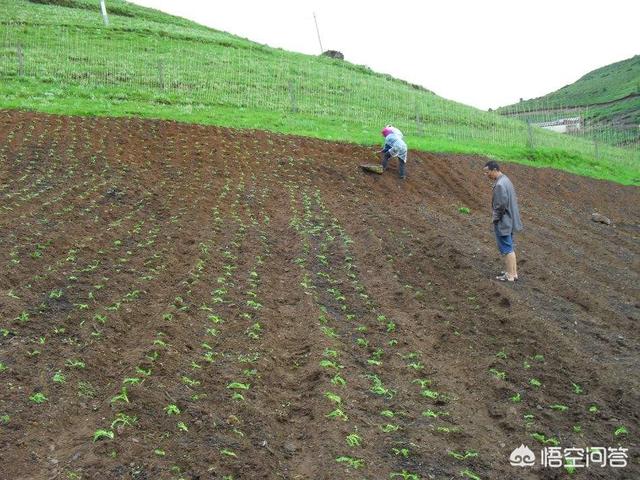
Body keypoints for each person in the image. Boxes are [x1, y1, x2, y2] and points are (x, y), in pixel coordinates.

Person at [483, 160, 523, 282]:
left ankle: (510, 275)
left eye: (487, 172)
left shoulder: (500, 185)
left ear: (494, 170)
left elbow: (500, 206)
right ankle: (513, 273)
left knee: (507, 248)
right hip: (510, 220)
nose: (486, 175)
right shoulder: (506, 180)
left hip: (504, 221)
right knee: (509, 246)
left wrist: (495, 219)